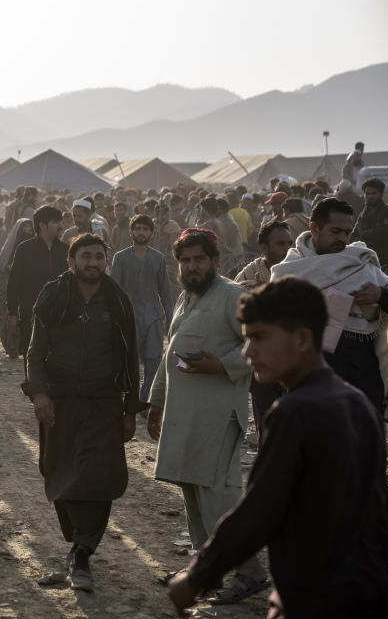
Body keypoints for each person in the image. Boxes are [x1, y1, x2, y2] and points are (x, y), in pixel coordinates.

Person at [168, 278, 388, 618]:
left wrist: (196, 578)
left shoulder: (295, 411)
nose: (247, 352)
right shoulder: (356, 402)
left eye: (260, 337)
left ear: (302, 339)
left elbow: (259, 510)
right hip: (364, 591)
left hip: (313, 597)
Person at [147, 228, 270, 603]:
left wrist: (223, 365)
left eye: (199, 259)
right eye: (185, 260)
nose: (192, 266)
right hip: (185, 415)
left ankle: (250, 572)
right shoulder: (187, 298)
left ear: (215, 261)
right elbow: (172, 355)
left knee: (219, 494)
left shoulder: (233, 295)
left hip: (217, 415)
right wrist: (156, 402)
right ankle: (207, 569)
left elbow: (260, 339)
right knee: (192, 490)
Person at [25, 233, 141, 592]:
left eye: (99, 256)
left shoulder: (118, 302)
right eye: (86, 256)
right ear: (71, 261)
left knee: (99, 476)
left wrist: (130, 410)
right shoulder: (52, 297)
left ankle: (82, 550)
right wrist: (40, 394)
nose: (93, 262)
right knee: (58, 474)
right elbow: (34, 352)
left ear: (106, 261)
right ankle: (77, 540)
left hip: (103, 403)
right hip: (59, 403)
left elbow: (130, 357)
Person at [270, 197, 388, 414]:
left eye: (347, 232)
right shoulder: (288, 271)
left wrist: (379, 295)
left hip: (360, 377)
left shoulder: (359, 262)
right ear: (314, 228)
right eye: (335, 231)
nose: (343, 239)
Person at [234, 220, 293, 442]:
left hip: (294, 361)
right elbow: (235, 309)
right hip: (263, 363)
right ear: (264, 248)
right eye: (280, 244)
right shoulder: (250, 273)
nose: (287, 249)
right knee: (267, 426)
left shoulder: (300, 268)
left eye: (290, 242)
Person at [109, 214, 173, 404]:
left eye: (145, 229)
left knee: (153, 362)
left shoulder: (158, 258)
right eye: (137, 229)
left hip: (153, 318)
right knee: (128, 362)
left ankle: (146, 401)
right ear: (131, 232)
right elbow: (114, 292)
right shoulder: (120, 258)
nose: (141, 232)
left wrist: (170, 319)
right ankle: (129, 400)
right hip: (128, 319)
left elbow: (166, 293)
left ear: (151, 233)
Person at [7, 205, 68, 357]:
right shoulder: (25, 249)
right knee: (32, 355)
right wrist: (13, 313)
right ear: (42, 225)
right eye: (55, 222)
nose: (60, 225)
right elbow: (14, 283)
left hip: (60, 312)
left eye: (60, 221)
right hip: (31, 312)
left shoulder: (66, 250)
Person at [0, 218, 35, 357]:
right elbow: (1, 266)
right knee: (7, 318)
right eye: (25, 228)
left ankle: (21, 347)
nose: (28, 231)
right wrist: (10, 268)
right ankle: (11, 347)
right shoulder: (12, 246)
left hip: (27, 289)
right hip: (9, 287)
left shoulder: (34, 246)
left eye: (30, 228)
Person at [350, 178, 388, 269]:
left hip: (384, 261)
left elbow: (385, 232)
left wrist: (364, 234)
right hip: (364, 260)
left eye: (374, 193)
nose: (370, 196)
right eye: (367, 193)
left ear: (381, 194)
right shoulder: (362, 215)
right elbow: (353, 235)